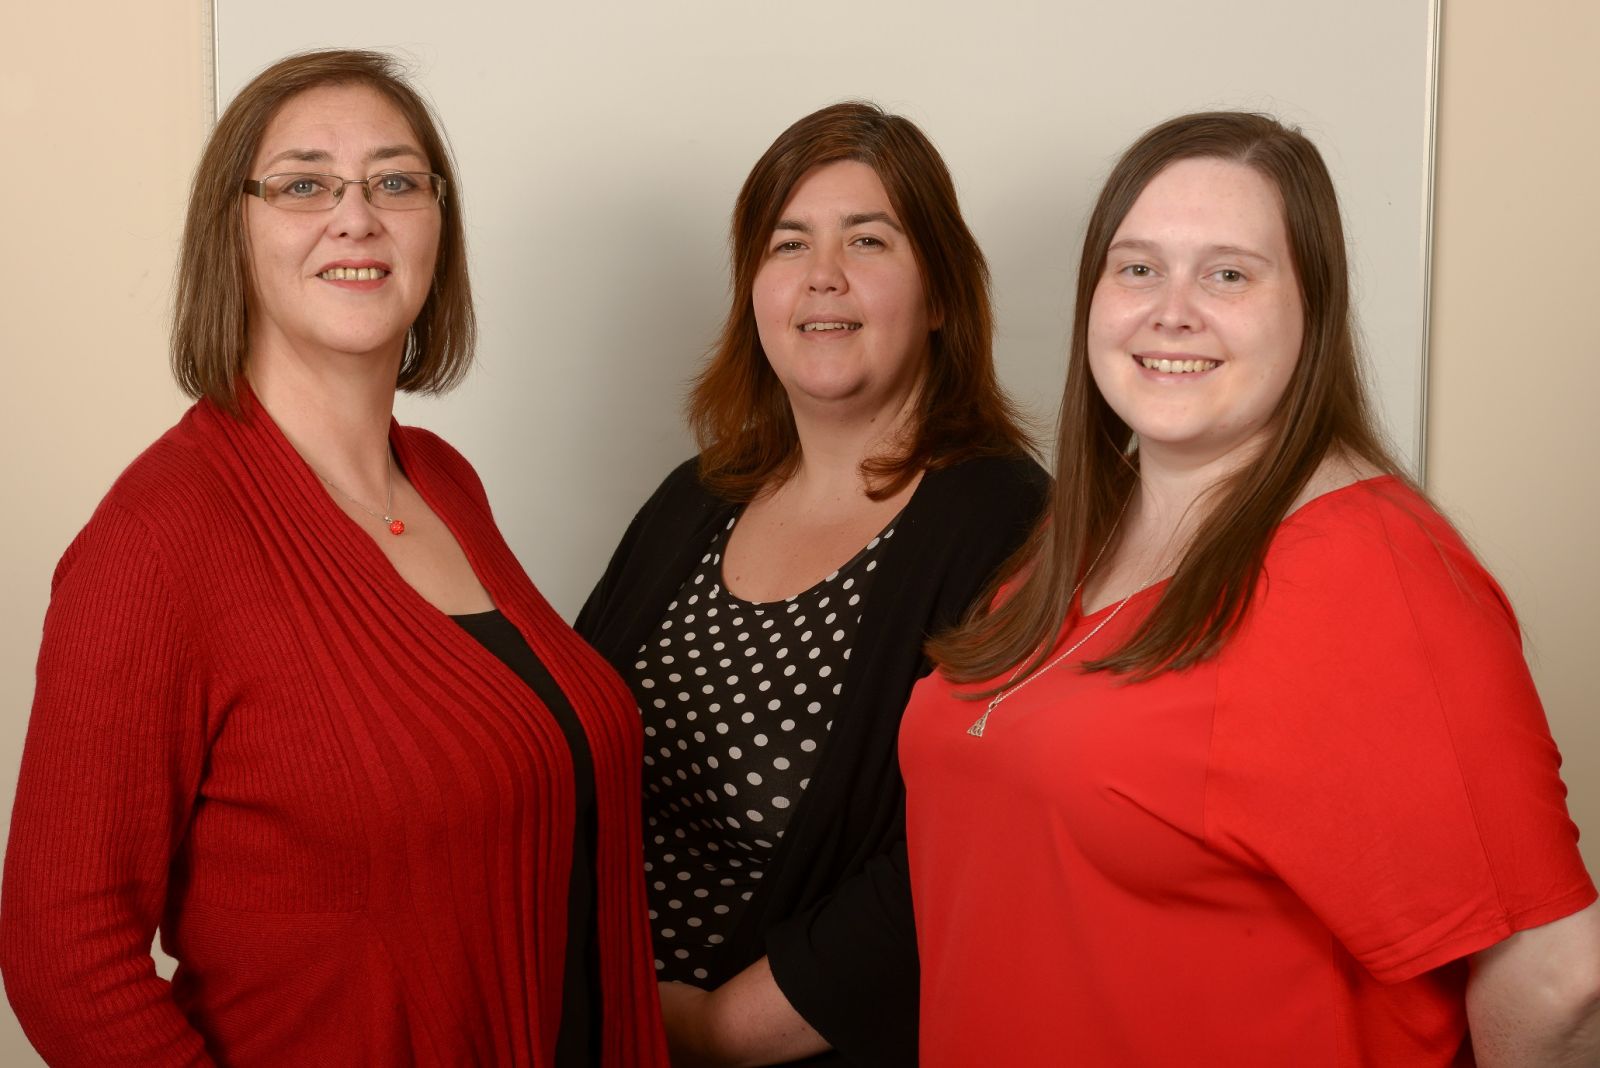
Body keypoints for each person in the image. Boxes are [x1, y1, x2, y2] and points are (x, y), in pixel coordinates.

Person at [0, 49, 667, 1067]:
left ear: (437, 227)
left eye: (396, 182)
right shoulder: (159, 539)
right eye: (304, 183)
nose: (356, 217)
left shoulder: (445, 483)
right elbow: (64, 960)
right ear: (235, 232)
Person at [900, 110, 1600, 1065]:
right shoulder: (1080, 529)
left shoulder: (1373, 574)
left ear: (1313, 311)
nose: (1171, 310)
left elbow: (1555, 978)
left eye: (1228, 273)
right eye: (1137, 267)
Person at [576, 101, 1047, 1065]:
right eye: (789, 243)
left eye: (867, 239)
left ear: (943, 294)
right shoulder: (700, 494)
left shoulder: (1005, 521)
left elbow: (971, 857)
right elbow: (569, 732)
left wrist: (709, 1030)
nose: (822, 275)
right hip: (602, 1030)